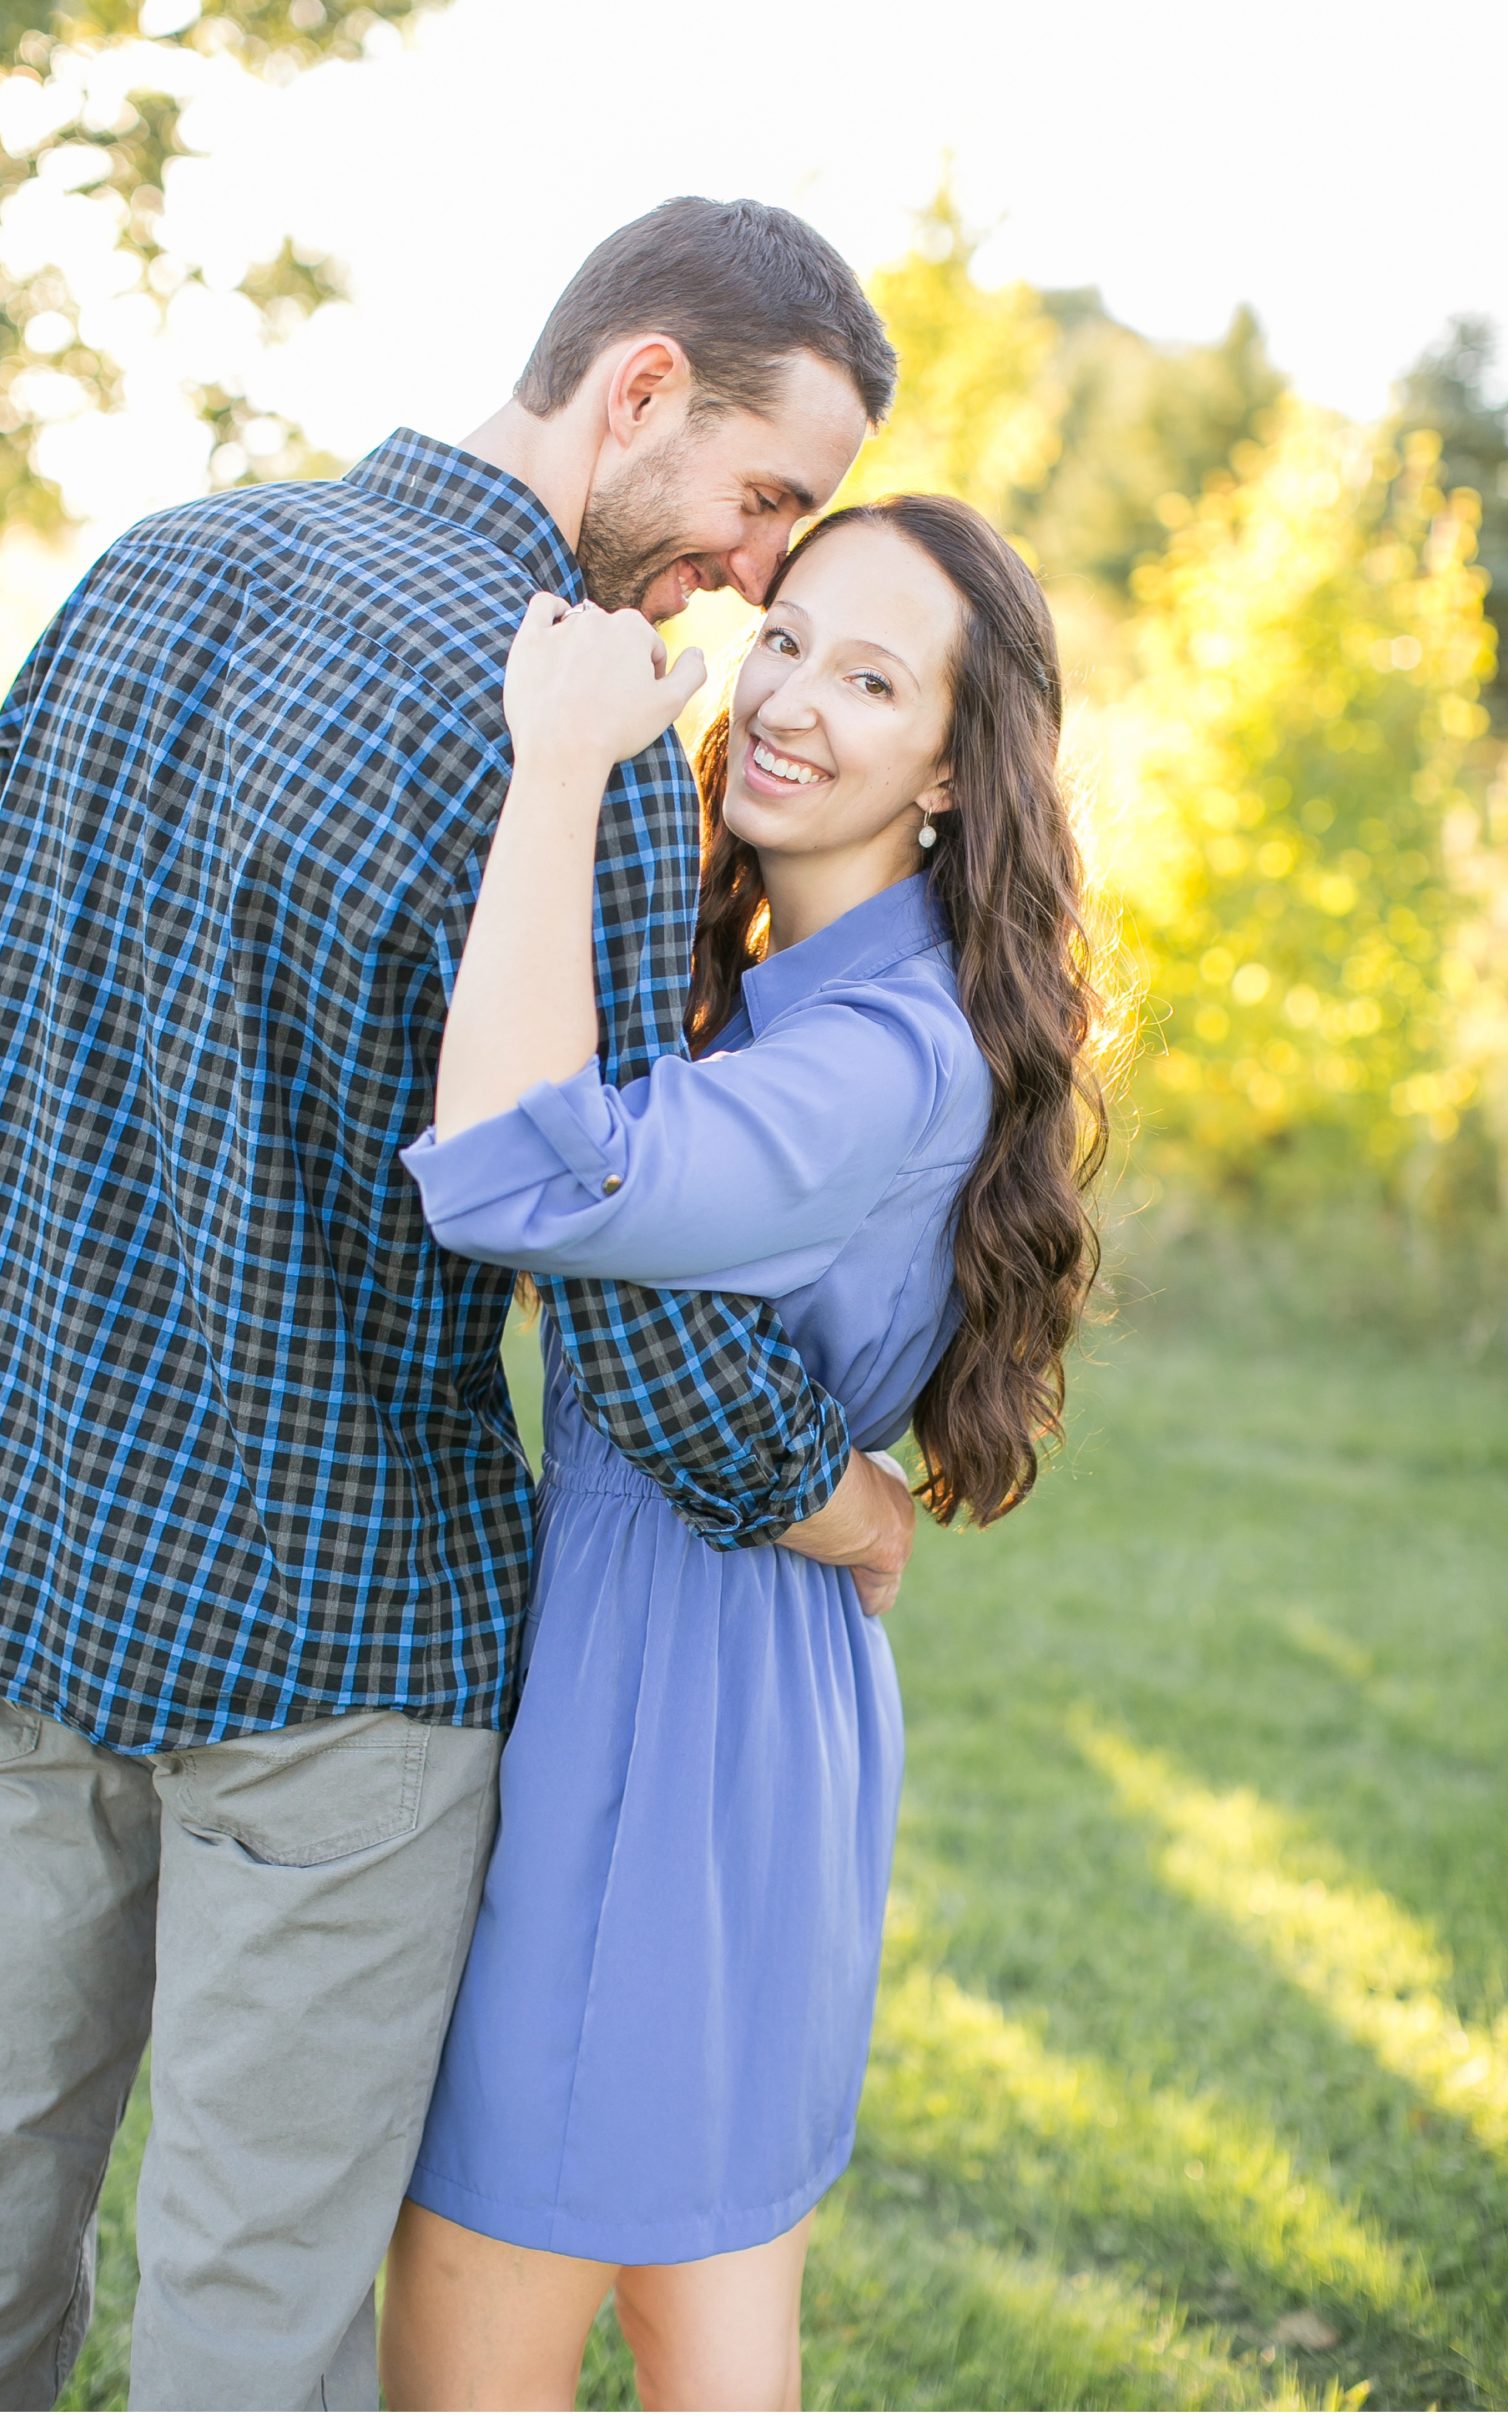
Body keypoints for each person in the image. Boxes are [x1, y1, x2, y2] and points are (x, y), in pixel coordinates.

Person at [0, 198, 918, 2414]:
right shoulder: (569, 746)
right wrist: (842, 1499)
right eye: (761, 494)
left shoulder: (153, 569)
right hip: (330, 1662)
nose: (750, 572)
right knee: (253, 2301)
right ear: (638, 388)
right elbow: (611, 1273)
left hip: (23, 1578)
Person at [382, 493, 1105, 2412]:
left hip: (670, 1723)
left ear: (952, 766)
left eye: (872, 679)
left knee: (480, 2347)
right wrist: (832, 1492)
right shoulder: (791, 985)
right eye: (783, 638)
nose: (788, 697)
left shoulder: (888, 1052)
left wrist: (554, 768)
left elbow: (529, 1177)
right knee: (708, 2335)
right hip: (739, 1689)